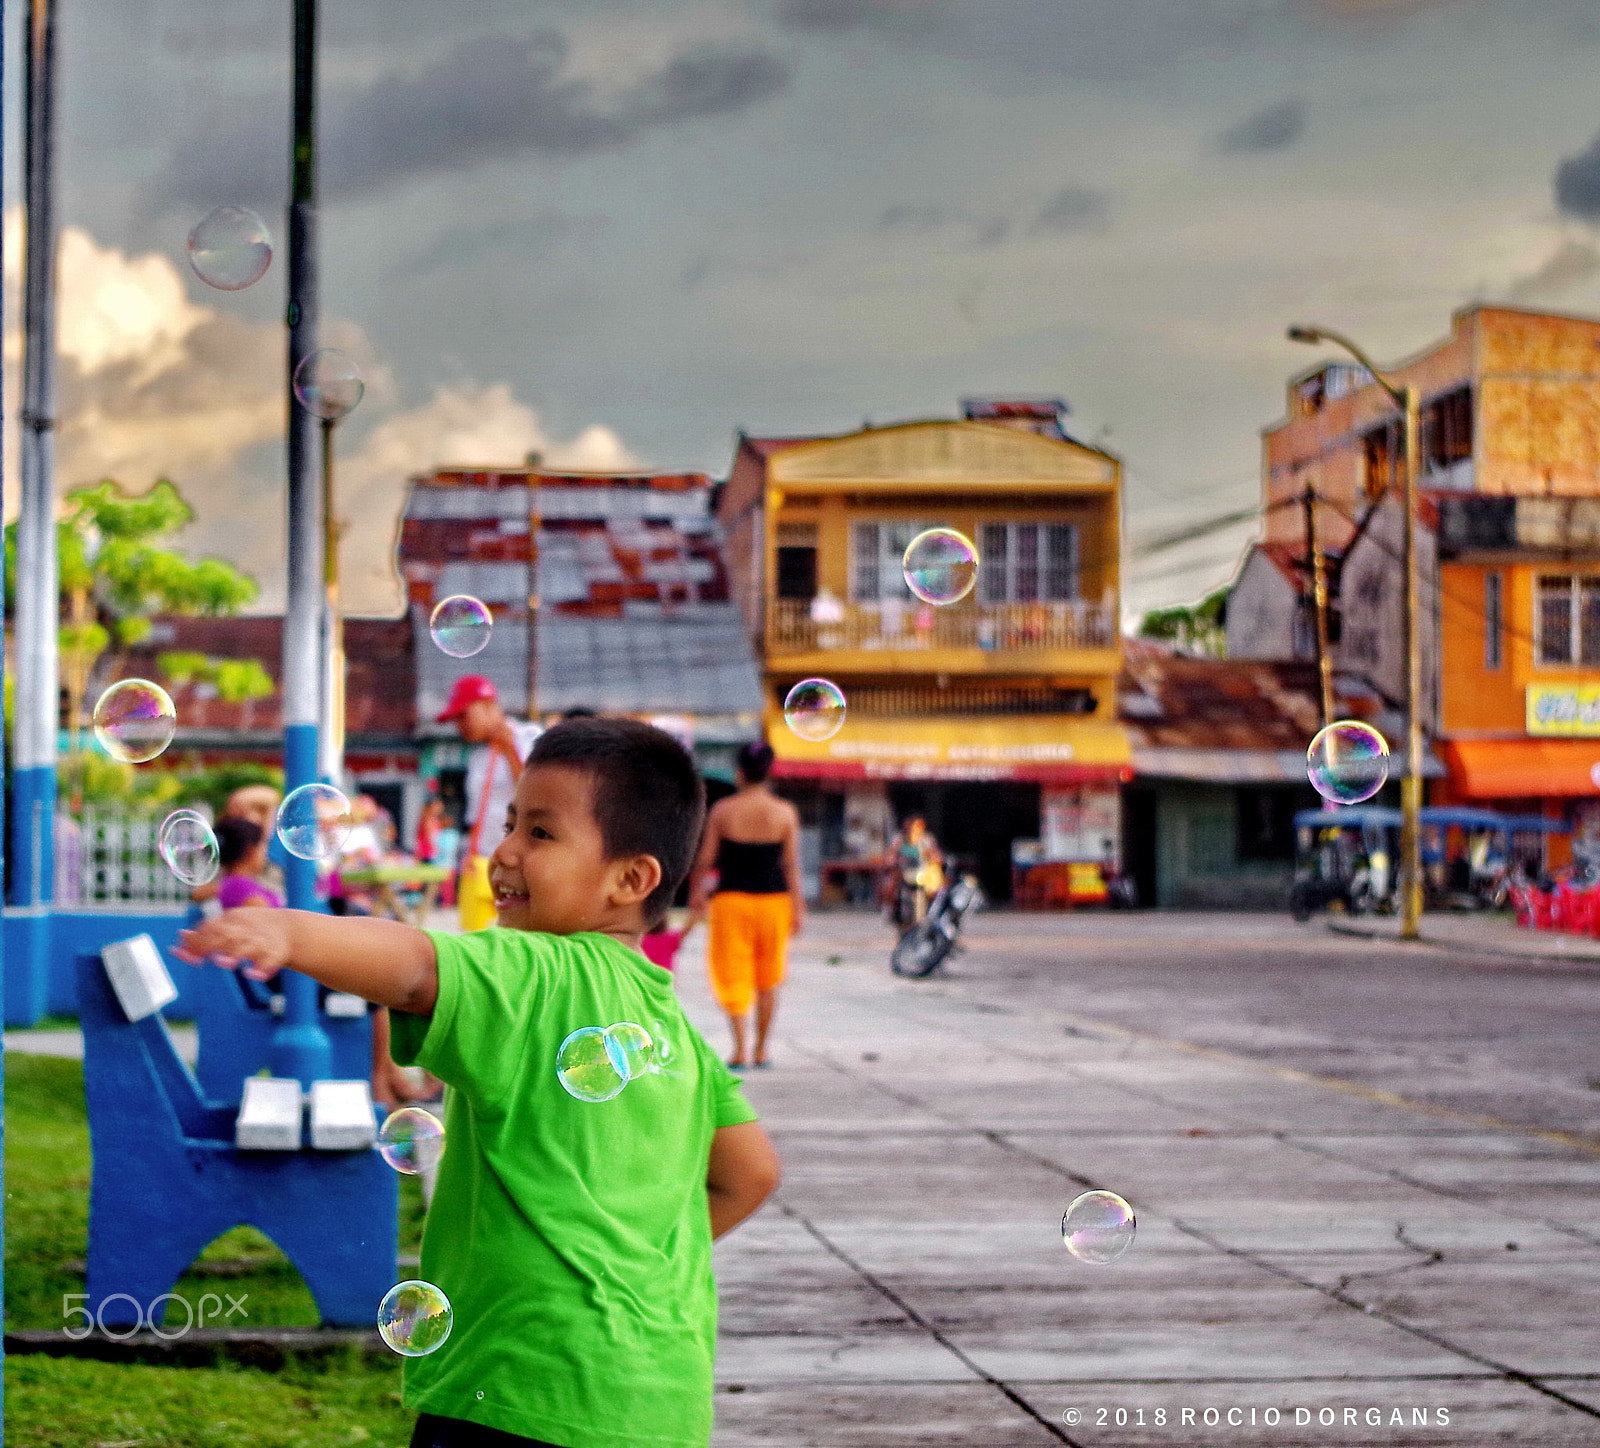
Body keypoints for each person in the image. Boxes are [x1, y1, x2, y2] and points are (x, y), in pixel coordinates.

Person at [177, 717, 780, 1448]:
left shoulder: (537, 972)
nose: (505, 852)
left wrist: (291, 934)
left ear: (630, 879)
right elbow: (751, 1173)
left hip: (519, 1387)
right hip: (657, 1398)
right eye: (510, 824)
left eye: (541, 834)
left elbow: (418, 968)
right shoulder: (672, 1029)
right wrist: (622, 1266)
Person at [689, 740, 803, 1070]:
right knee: (769, 978)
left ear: (739, 773)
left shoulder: (724, 810)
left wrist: (698, 893)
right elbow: (791, 866)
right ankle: (762, 1050)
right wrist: (799, 907)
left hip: (731, 902)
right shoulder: (785, 812)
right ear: (769, 772)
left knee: (733, 974)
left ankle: (739, 1049)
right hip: (774, 903)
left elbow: (706, 859)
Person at [437, 675, 542, 932]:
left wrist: (510, 752)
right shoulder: (477, 756)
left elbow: (539, 797)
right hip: (483, 864)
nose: (459, 726)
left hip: (520, 865)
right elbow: (476, 819)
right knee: (478, 941)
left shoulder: (529, 737)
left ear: (487, 706)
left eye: (463, 716)